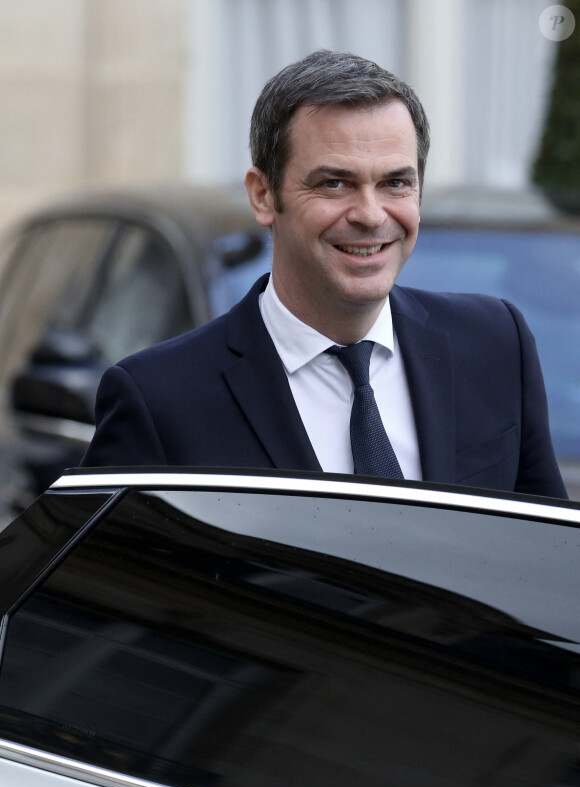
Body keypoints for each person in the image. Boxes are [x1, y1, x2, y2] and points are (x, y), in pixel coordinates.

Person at [81, 50, 567, 499]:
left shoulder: (495, 346)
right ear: (264, 196)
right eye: (335, 183)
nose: (371, 214)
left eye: (396, 182)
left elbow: (551, 564)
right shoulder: (160, 400)